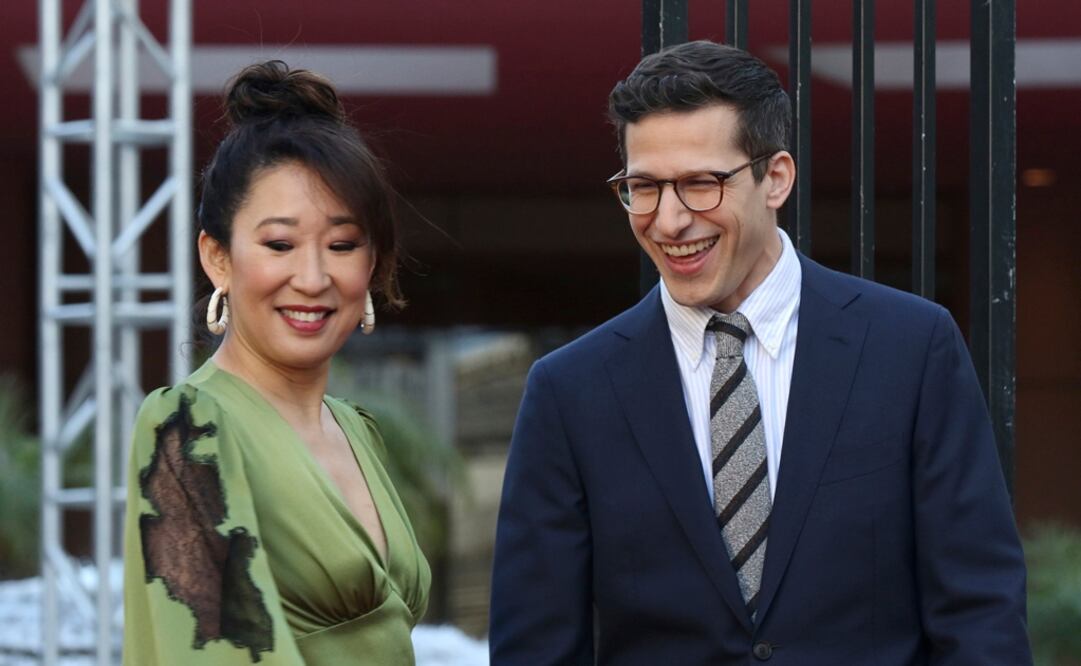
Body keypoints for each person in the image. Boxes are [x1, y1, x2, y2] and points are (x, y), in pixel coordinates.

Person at [489, 40, 1031, 665]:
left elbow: (979, 614)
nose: (668, 220)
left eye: (700, 184)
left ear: (775, 178)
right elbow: (536, 647)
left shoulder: (910, 348)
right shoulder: (570, 391)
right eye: (644, 187)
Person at [123, 61, 430, 665]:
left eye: (342, 245)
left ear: (372, 263)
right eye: (280, 244)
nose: (312, 278)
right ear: (218, 257)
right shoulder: (186, 428)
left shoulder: (357, 429)